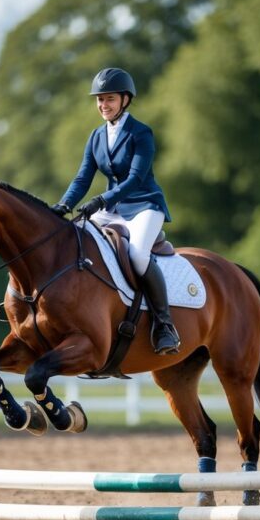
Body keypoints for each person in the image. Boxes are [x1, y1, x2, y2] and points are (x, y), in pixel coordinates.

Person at [51, 67, 181, 355]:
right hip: (113, 208)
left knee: (137, 254)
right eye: (99, 100)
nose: (103, 106)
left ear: (125, 100)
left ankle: (164, 324)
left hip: (145, 205)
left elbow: (135, 178)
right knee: (78, 241)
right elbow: (82, 178)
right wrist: (63, 205)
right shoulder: (96, 136)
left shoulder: (141, 133)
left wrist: (99, 200)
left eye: (109, 99)